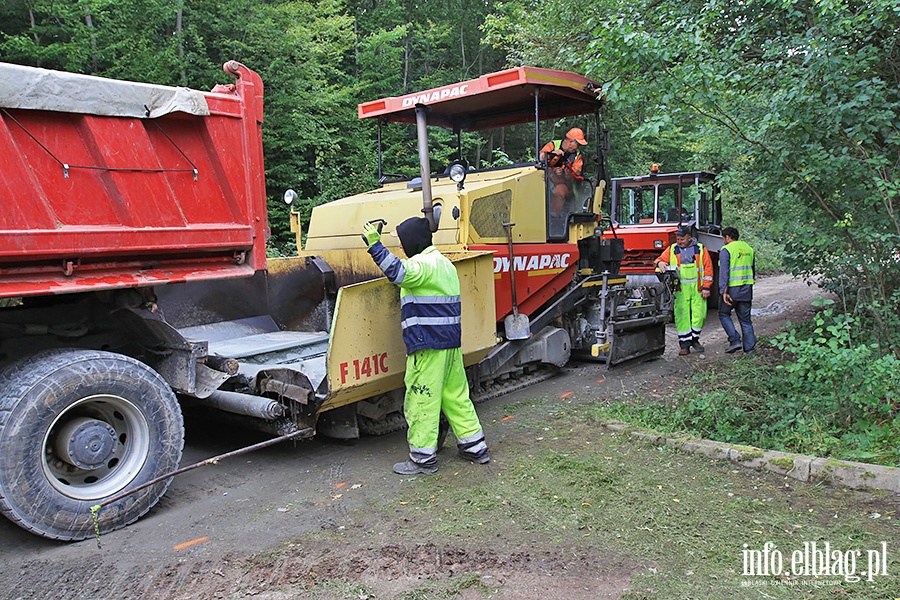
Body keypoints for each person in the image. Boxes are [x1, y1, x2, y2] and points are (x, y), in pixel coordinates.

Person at [361, 217, 490, 475]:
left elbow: (397, 273)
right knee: (456, 396)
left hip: (428, 344)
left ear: (412, 241)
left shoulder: (422, 265)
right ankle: (475, 447)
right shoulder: (444, 264)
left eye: (401, 241)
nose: (400, 247)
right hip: (450, 344)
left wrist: (375, 245)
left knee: (421, 399)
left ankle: (422, 458)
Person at [655, 227, 713, 355]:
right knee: (682, 316)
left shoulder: (701, 249)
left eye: (682, 239)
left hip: (698, 289)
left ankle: (694, 339)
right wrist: (660, 264)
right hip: (680, 289)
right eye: (678, 239)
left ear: (689, 238)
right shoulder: (672, 249)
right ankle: (684, 345)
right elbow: (659, 260)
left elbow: (708, 269)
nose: (679, 241)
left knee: (700, 315)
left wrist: (706, 287)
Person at [718, 226, 756, 353]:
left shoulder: (726, 250)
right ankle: (750, 349)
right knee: (745, 320)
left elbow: (724, 273)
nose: (723, 240)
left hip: (732, 290)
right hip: (746, 289)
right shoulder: (749, 249)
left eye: (723, 238)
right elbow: (753, 270)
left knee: (723, 314)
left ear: (727, 237)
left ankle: (734, 340)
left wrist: (724, 291)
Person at [540, 127, 587, 215]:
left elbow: (577, 172)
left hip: (565, 184)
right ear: (570, 142)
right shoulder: (553, 145)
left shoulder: (577, 155)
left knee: (560, 191)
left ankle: (554, 215)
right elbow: (540, 158)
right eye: (578, 144)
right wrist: (553, 154)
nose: (578, 147)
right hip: (544, 180)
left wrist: (566, 172)